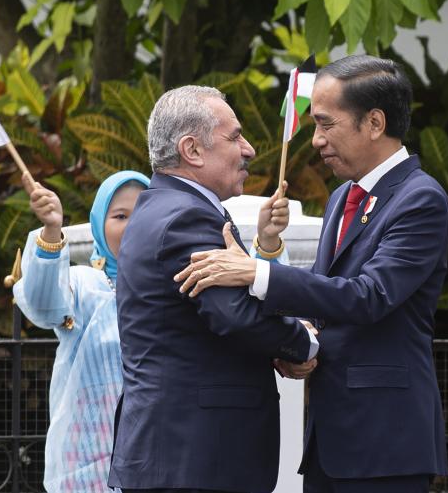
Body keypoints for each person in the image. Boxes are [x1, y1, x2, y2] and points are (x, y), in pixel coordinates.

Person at [175, 55, 448, 493]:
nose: (316, 140)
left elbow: (368, 296)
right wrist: (300, 338)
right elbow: (327, 301)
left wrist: (255, 273)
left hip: (385, 441)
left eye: (326, 124)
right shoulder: (343, 196)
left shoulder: (421, 199)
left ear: (374, 122)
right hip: (329, 439)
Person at [109, 85, 319, 493]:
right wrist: (302, 342)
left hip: (183, 455)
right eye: (235, 136)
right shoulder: (185, 218)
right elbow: (233, 315)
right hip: (196, 457)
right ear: (192, 149)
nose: (250, 149)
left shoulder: (165, 208)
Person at [13, 169, 150, 493]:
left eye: (144, 214)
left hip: (157, 465)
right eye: (120, 215)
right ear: (100, 224)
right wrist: (51, 230)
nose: (133, 225)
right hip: (87, 469)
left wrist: (268, 245)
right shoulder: (85, 285)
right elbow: (45, 305)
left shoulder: (176, 289)